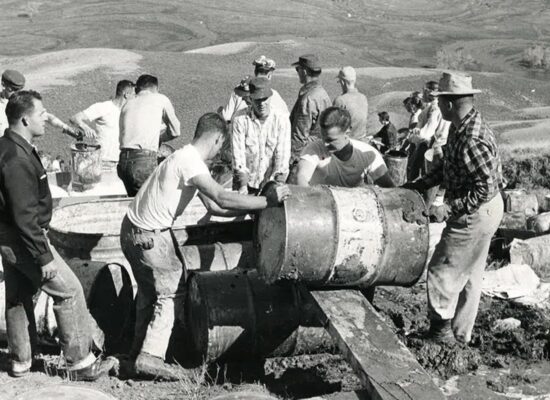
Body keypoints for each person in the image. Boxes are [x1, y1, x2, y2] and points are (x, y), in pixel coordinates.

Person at [120, 112, 290, 380]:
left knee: (149, 294)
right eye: (221, 145)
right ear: (217, 138)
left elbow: (213, 206)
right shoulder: (191, 163)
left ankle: (135, 355)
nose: (219, 152)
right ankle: (150, 357)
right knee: (172, 292)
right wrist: (266, 202)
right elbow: (221, 197)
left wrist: (250, 212)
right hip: (149, 236)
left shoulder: (182, 158)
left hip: (132, 230)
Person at [0, 90, 114, 380]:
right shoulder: (16, 159)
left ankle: (21, 361)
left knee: (17, 296)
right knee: (70, 291)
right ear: (25, 119)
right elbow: (24, 217)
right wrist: (44, 257)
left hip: (10, 241)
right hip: (26, 242)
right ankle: (81, 363)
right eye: (41, 114)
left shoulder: (10, 147)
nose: (45, 119)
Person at [403, 72, 504, 344]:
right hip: (487, 209)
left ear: (448, 104)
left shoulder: (471, 137)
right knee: (469, 274)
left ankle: (440, 335)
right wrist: (418, 184)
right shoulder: (463, 126)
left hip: (476, 211)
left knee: (441, 269)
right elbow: (450, 166)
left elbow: (483, 189)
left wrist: (448, 209)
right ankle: (460, 335)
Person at [296, 107, 394, 188]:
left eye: (331, 140)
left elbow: (389, 188)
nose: (325, 144)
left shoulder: (366, 153)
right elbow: (301, 178)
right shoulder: (314, 149)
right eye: (323, 138)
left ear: (347, 132)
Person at [118, 74, 181, 196]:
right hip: (144, 160)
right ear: (156, 88)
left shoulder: (127, 105)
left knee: (135, 203)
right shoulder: (160, 98)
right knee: (151, 204)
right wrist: (161, 138)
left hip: (123, 162)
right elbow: (176, 131)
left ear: (138, 89)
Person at [232, 77, 291, 194]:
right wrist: (243, 185)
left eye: (265, 99)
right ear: (250, 99)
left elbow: (282, 156)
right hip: (246, 183)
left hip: (272, 184)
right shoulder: (239, 119)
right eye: (257, 100)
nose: (262, 104)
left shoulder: (282, 119)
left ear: (270, 97)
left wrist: (277, 184)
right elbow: (238, 155)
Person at [70, 80, 135, 169]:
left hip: (122, 163)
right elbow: (75, 118)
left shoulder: (130, 112)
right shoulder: (104, 107)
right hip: (102, 162)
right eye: (134, 95)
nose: (136, 98)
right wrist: (85, 127)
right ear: (126, 94)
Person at [0, 69, 81, 138]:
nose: (15, 93)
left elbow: (46, 116)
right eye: (12, 89)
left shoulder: (21, 101)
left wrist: (66, 128)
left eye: (18, 90)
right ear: (3, 85)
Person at [288, 54, 331, 181]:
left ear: (305, 71)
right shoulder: (323, 93)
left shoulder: (308, 99)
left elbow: (299, 136)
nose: (297, 73)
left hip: (306, 156)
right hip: (321, 154)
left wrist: (293, 162)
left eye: (298, 69)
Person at [220, 56, 288, 123]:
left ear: (255, 72)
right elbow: (286, 117)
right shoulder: (274, 95)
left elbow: (225, 117)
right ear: (269, 75)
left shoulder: (239, 90)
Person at [408, 81, 451, 180]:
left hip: (435, 150)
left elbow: (426, 134)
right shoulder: (436, 107)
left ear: (430, 92)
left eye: (425, 90)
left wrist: (412, 136)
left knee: (430, 180)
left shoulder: (434, 109)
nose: (422, 94)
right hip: (439, 148)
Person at [333, 66, 369, 141]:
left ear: (342, 82)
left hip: (348, 143)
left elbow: (334, 127)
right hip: (363, 141)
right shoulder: (363, 98)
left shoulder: (340, 100)